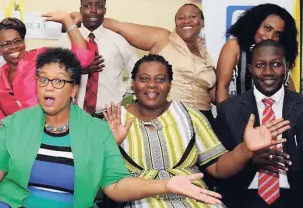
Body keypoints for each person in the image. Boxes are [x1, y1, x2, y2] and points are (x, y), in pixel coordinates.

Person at [0, 48, 224, 208]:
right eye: (43, 79)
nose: (48, 87)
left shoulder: (96, 131)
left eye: (58, 81)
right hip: (15, 204)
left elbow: (115, 187)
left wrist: (167, 184)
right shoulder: (16, 123)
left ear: (74, 88)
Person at [102, 54, 291, 208]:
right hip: (139, 200)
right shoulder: (113, 119)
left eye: (161, 79)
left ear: (170, 85)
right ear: (133, 83)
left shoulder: (189, 116)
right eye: (144, 79)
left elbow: (218, 168)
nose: (152, 85)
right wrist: (112, 143)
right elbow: (98, 178)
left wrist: (246, 149)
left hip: (195, 200)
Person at [215, 40, 303, 208]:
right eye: (260, 65)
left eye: (275, 64)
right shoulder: (228, 110)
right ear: (250, 69)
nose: (268, 72)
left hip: (299, 198)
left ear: (287, 67)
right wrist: (247, 159)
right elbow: (217, 169)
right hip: (244, 198)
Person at [73, 4, 217, 123]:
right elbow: (118, 26)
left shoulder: (207, 52)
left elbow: (213, 94)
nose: (186, 21)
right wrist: (85, 18)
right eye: (181, 17)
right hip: (169, 116)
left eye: (193, 17)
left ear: (202, 23)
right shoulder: (162, 39)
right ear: (176, 23)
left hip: (204, 118)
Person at [0, 13, 94, 126]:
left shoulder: (41, 57)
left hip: (58, 132)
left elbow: (83, 58)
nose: (13, 47)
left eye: (17, 41)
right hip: (24, 141)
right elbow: (2, 126)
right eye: (6, 44)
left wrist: (67, 20)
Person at [57, 0, 139, 118]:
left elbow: (139, 71)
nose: (93, 10)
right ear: (80, 9)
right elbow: (55, 74)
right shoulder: (65, 40)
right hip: (74, 114)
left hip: (110, 116)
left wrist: (123, 91)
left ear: (105, 10)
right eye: (87, 5)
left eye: (99, 6)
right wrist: (79, 71)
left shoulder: (118, 41)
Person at [216, 3, 299, 104]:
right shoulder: (235, 47)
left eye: (277, 34)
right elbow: (222, 87)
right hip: (242, 115)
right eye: (268, 28)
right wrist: (226, 117)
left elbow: (292, 94)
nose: (270, 36)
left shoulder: (280, 53)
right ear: (255, 25)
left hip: (275, 116)